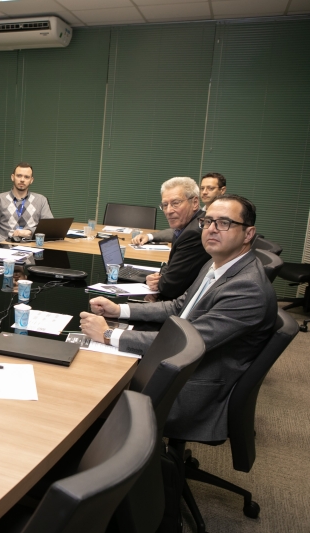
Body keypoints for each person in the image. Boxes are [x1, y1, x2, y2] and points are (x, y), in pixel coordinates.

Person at [79, 194, 276, 442]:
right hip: (186, 367)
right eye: (208, 222)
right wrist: (120, 311)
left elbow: (185, 345)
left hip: (192, 390)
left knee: (87, 387)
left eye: (224, 223)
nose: (212, 229)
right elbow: (178, 307)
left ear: (248, 234)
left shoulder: (247, 288)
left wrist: (109, 334)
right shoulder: (218, 263)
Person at [134, 177, 210, 300]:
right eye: (165, 205)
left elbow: (170, 287)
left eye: (175, 203)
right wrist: (160, 277)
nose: (168, 211)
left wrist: (158, 281)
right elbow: (171, 265)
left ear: (195, 202)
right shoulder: (186, 226)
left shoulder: (193, 233)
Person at [133, 172, 226, 244]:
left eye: (210, 188)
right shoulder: (202, 212)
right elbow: (178, 232)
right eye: (202, 188)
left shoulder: (225, 216)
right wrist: (149, 236)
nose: (205, 192)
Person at [0, 163, 53, 245]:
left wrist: (29, 231)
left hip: (32, 248)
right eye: (19, 176)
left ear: (31, 180)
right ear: (12, 177)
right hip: (5, 249)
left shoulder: (41, 200)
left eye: (26, 177)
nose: (22, 180)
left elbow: (49, 228)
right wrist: (4, 244)